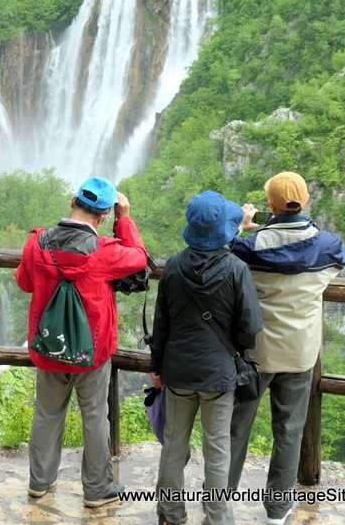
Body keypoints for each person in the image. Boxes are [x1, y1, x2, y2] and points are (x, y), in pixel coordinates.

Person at [15, 176, 149, 508]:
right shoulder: (105, 252)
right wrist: (126, 217)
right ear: (103, 216)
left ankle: (39, 482)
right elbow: (140, 257)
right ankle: (96, 490)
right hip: (93, 351)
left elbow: (24, 283)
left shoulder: (37, 244)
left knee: (47, 413)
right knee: (94, 416)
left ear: (72, 201)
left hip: (50, 346)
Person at [227, 171, 345, 525]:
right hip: (300, 353)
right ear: (306, 200)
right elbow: (340, 259)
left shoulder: (249, 248)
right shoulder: (327, 246)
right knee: (289, 432)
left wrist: (243, 227)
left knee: (237, 428)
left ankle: (222, 501)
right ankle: (278, 511)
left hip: (256, 353)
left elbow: (227, 257)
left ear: (271, 205)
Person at [149, 191, 263, 525]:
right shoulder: (236, 269)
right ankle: (217, 517)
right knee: (217, 448)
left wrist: (157, 367)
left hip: (179, 372)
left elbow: (161, 325)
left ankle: (169, 513)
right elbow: (251, 327)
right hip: (219, 374)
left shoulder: (174, 266)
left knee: (173, 445)